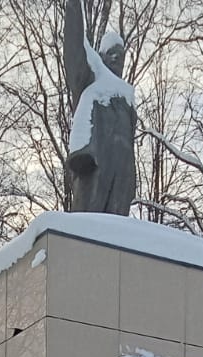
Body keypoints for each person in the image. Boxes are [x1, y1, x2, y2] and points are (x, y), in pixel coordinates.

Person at [63, 0, 137, 215]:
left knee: (116, 235)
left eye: (120, 56)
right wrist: (74, 7)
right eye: (112, 54)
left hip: (122, 174)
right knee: (86, 229)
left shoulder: (127, 96)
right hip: (93, 166)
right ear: (102, 57)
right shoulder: (92, 77)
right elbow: (75, 47)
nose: (117, 58)